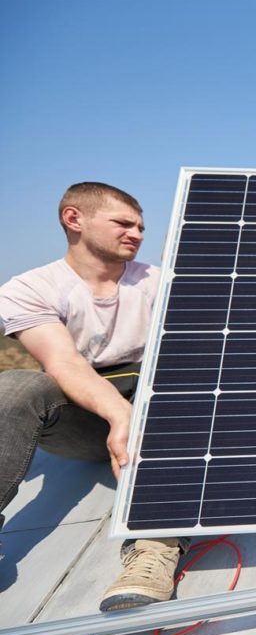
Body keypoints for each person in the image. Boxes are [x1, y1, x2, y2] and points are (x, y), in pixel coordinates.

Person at [0, 182, 188, 612]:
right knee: (14, 385)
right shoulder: (30, 287)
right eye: (123, 222)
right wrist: (121, 415)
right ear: (74, 219)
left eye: (141, 226)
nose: (137, 233)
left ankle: (154, 545)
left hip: (156, 408)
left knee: (181, 392)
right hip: (83, 417)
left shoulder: (160, 282)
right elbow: (64, 363)